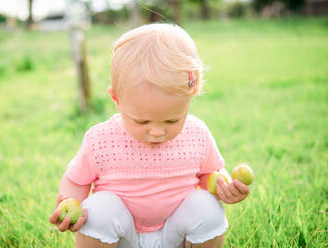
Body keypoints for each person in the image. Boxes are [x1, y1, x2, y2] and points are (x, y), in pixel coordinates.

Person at [49, 23, 250, 248]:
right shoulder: (101, 140)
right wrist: (70, 203)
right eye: (142, 121)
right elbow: (76, 180)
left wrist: (223, 186)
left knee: (207, 206)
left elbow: (208, 174)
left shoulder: (197, 134)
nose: (157, 131)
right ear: (116, 99)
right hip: (121, 238)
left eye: (172, 120)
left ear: (191, 96)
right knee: (98, 210)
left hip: (174, 234)